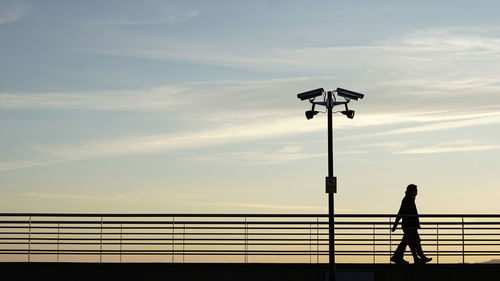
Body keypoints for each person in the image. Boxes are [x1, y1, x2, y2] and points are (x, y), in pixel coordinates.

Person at [390, 184, 432, 264]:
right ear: (412, 191)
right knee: (409, 241)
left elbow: (401, 212)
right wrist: (395, 224)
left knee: (412, 242)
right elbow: (401, 212)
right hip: (410, 225)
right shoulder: (407, 200)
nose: (417, 192)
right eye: (416, 191)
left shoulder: (409, 199)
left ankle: (417, 258)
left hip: (410, 225)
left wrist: (395, 224)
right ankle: (397, 257)